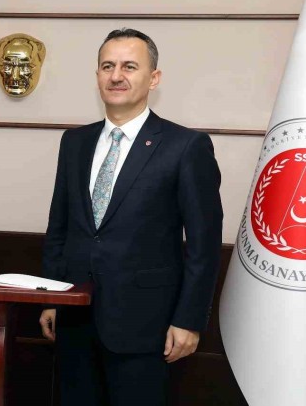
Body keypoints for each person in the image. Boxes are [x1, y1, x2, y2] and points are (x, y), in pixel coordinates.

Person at [39, 28, 223, 405]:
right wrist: (52, 296)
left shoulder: (186, 146)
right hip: (74, 320)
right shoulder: (74, 142)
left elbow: (204, 245)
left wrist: (189, 320)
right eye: (107, 66)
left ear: (153, 78)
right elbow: (59, 228)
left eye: (129, 66)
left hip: (146, 326)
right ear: (97, 76)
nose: (116, 75)